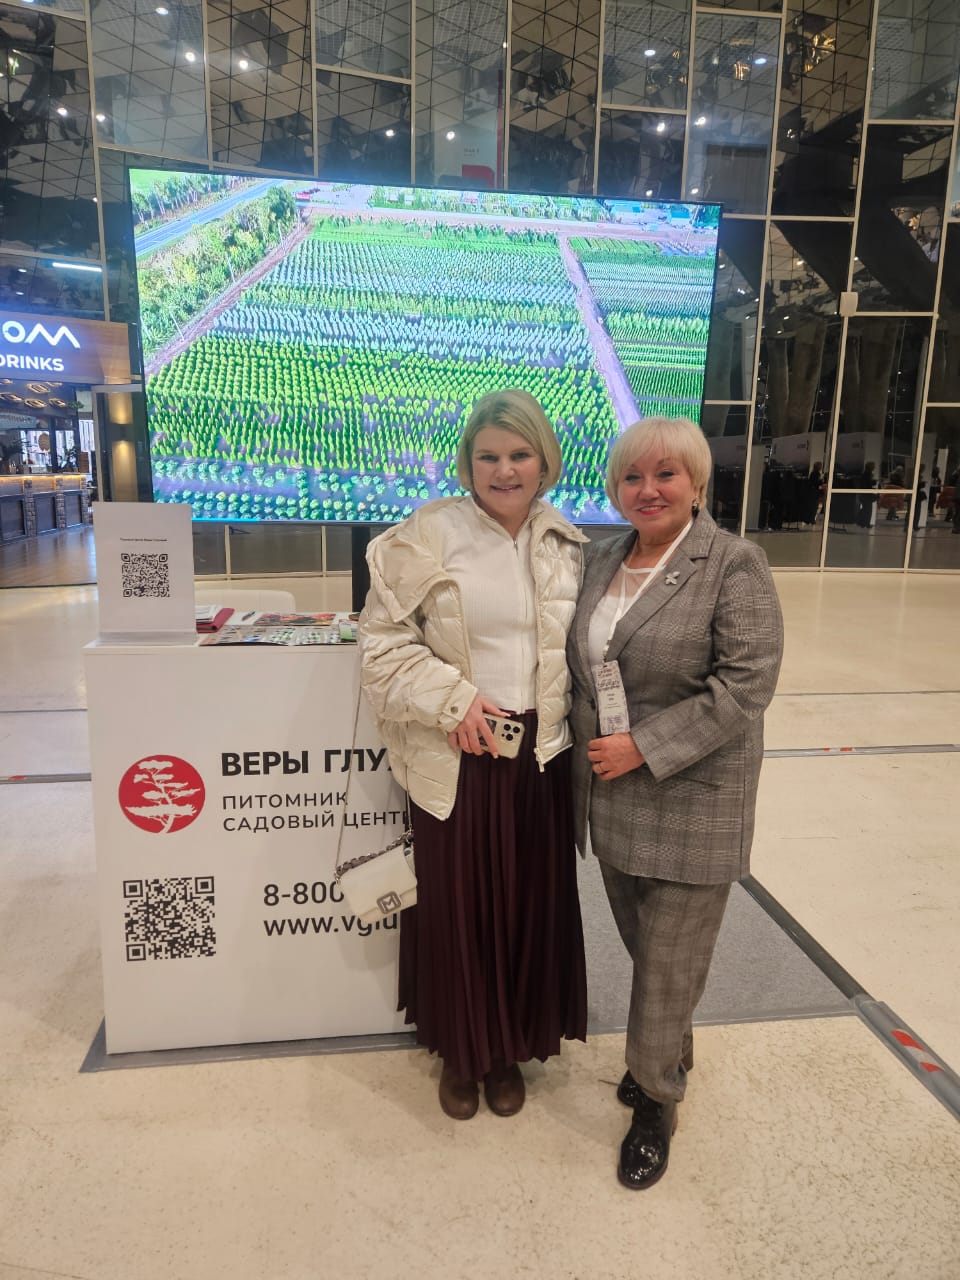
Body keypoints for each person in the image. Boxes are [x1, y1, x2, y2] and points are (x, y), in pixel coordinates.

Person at [358, 388, 589, 1121]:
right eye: (488, 456)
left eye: (519, 454)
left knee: (526, 907)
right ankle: (463, 1051)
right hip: (456, 755)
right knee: (460, 909)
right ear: (467, 462)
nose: (504, 470)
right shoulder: (426, 535)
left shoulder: (567, 543)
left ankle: (510, 1047)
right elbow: (381, 650)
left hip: (540, 758)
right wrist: (453, 702)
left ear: (544, 460)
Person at [567, 416, 784, 1190]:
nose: (648, 489)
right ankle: (672, 1048)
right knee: (649, 948)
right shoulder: (601, 558)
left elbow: (746, 684)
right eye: (632, 476)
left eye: (666, 474)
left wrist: (645, 746)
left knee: (664, 965)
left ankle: (657, 1099)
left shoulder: (732, 564)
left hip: (691, 796)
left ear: (697, 484)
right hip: (612, 794)